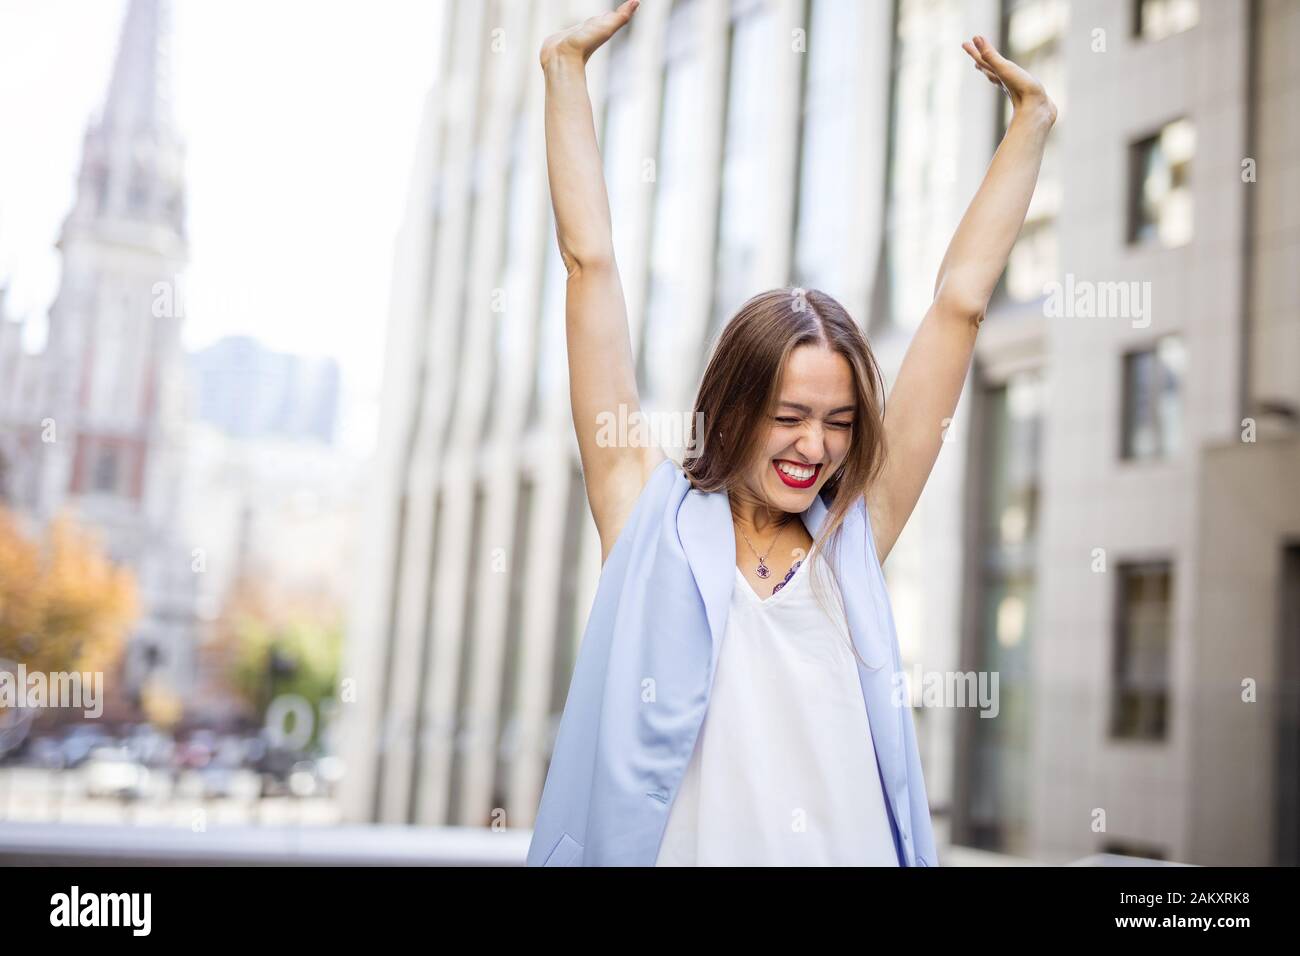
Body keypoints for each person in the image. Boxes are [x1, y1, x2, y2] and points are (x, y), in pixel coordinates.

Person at [527, 0, 1056, 867]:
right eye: (790, 418)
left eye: (840, 423)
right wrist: (564, 73)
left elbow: (958, 306)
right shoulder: (644, 511)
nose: (816, 446)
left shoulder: (854, 535)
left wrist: (1033, 122)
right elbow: (591, 264)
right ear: (732, 408)